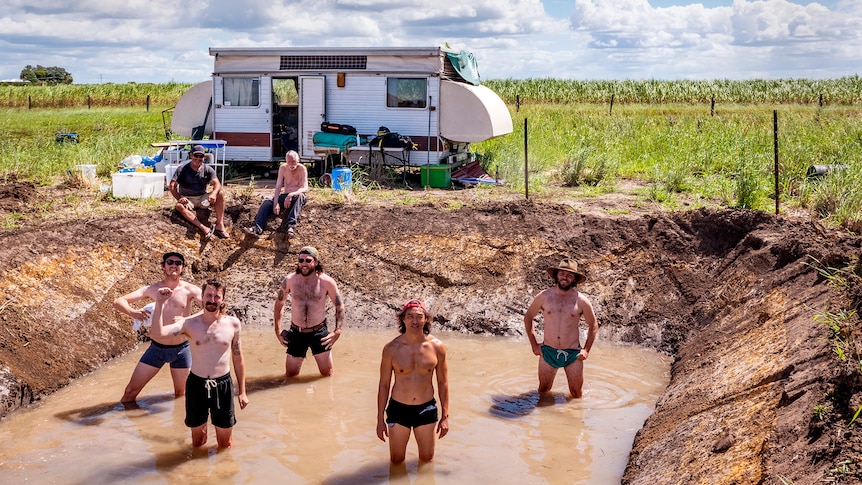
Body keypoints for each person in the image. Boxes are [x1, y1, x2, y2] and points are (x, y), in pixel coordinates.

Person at [150, 279, 249, 448]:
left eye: (217, 296)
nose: (212, 300)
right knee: (198, 442)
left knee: (225, 443)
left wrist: (242, 392)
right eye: (208, 295)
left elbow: (238, 358)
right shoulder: (188, 324)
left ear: (223, 299)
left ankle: (223, 471)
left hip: (223, 385)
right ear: (202, 297)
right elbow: (158, 333)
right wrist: (159, 303)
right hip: (196, 385)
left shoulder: (233, 324)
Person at [112, 252, 202, 403]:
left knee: (181, 395)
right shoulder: (152, 289)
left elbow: (211, 308)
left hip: (182, 349)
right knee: (129, 392)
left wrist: (187, 320)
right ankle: (128, 424)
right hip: (157, 348)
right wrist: (133, 312)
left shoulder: (190, 290)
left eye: (178, 263)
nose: (174, 265)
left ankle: (178, 426)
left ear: (183, 268)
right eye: (170, 262)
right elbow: (118, 301)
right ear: (163, 267)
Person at [377, 299, 449, 463]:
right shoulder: (391, 348)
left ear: (426, 319)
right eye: (410, 316)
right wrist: (379, 419)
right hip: (398, 409)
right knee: (396, 461)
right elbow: (384, 385)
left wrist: (445, 416)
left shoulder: (437, 347)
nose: (415, 321)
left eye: (419, 316)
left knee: (426, 461)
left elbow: (443, 382)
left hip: (426, 408)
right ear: (403, 319)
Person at [523, 257, 598, 399]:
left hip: (572, 354)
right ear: (557, 275)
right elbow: (528, 318)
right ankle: (544, 420)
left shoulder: (581, 301)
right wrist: (534, 345)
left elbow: (593, 326)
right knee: (543, 390)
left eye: (570, 275)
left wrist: (586, 350)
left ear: (574, 279)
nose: (565, 277)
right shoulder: (544, 296)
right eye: (562, 273)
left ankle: (573, 419)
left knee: (576, 395)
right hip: (548, 352)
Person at [273, 246, 344, 377]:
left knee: (327, 374)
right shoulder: (290, 280)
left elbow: (339, 307)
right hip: (296, 333)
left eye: (308, 260)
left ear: (316, 262)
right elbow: (279, 304)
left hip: (319, 332)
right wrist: (277, 331)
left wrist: (337, 331)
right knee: (291, 375)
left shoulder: (326, 282)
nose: (304, 264)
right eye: (301, 260)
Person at [243, 150, 308, 238]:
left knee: (300, 196)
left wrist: (291, 195)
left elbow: (305, 188)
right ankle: (257, 228)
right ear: (286, 161)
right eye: (289, 162)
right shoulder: (283, 168)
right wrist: (275, 203)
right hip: (285, 195)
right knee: (267, 202)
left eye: (293, 161)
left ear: (298, 160)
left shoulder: (302, 169)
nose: (291, 164)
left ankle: (291, 226)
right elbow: (278, 187)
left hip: (297, 195)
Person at [169, 144, 228, 239]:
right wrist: (179, 198)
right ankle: (204, 228)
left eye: (201, 156)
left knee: (220, 193)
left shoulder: (208, 169)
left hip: (202, 198)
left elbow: (217, 184)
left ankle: (220, 224)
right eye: (196, 155)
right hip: (188, 199)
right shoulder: (182, 169)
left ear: (204, 157)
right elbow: (172, 185)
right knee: (179, 206)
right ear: (191, 155)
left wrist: (213, 193)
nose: (198, 158)